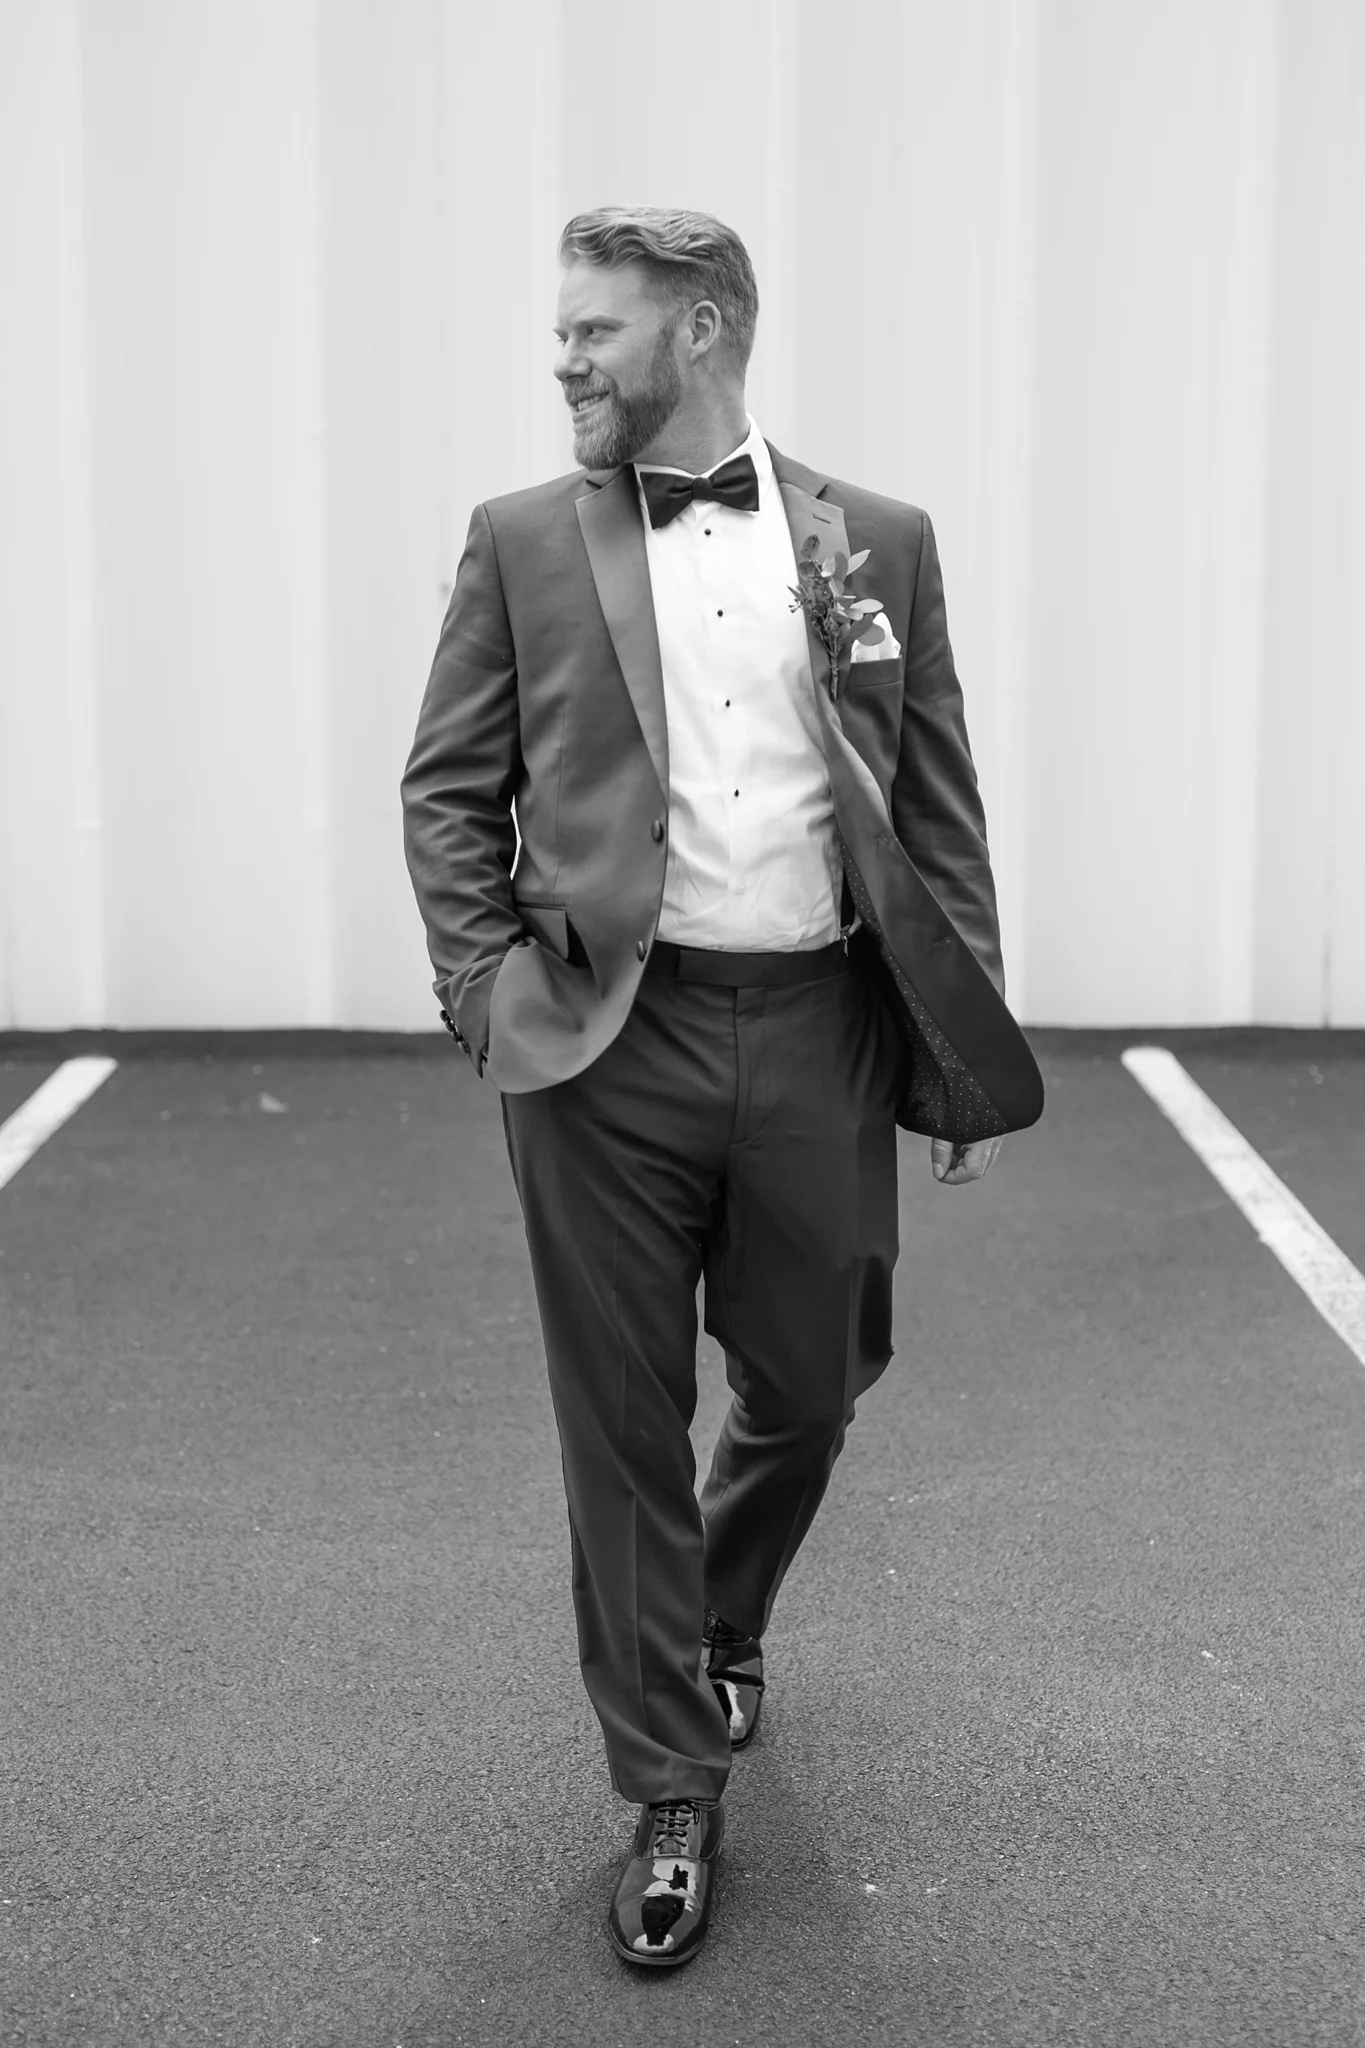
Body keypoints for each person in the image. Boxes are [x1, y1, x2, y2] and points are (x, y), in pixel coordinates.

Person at [401, 205, 1043, 1969]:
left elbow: (936, 806)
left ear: (697, 330)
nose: (563, 359)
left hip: (821, 1022)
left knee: (818, 1375)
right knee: (619, 1423)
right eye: (563, 331)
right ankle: (672, 1779)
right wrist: (484, 992)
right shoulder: (521, 539)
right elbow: (448, 789)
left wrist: (957, 1048)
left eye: (593, 330)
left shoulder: (877, 539)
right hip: (604, 1045)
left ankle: (719, 1618)